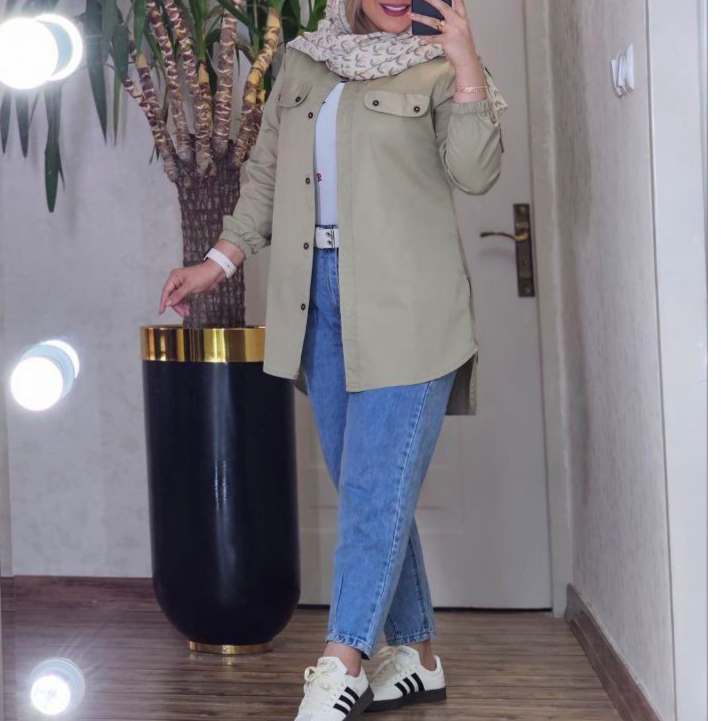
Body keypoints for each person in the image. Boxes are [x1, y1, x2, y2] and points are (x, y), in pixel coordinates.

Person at [159, 0, 507, 717]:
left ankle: (341, 662)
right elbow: (265, 176)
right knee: (367, 486)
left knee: (375, 486)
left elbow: (476, 173)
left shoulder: (442, 65)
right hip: (313, 300)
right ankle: (417, 655)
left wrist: (467, 64)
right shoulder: (305, 60)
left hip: (408, 301)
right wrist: (217, 263)